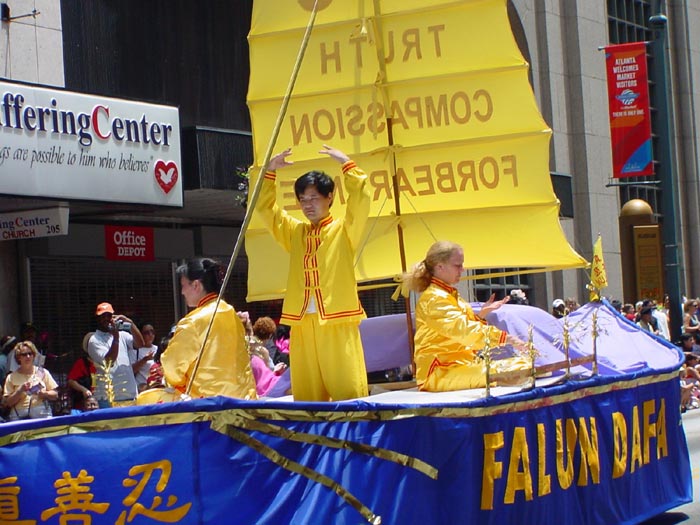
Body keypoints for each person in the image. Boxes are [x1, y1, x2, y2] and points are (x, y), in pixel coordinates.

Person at [259, 145, 370, 401]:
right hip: (302, 320)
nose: (307, 205)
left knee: (347, 388)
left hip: (336, 319)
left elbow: (361, 199)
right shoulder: (295, 232)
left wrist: (347, 165)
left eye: (314, 198)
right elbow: (266, 211)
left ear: (330, 197)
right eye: (303, 200)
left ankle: (352, 425)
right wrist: (270, 172)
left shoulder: (345, 230)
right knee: (307, 392)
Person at [401, 241, 529, 392]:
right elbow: (463, 330)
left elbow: (462, 329)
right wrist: (506, 338)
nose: (462, 269)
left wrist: (482, 314)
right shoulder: (434, 298)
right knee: (517, 370)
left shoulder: (448, 294)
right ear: (440, 266)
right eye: (458, 265)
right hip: (439, 372)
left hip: (459, 367)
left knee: (524, 365)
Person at [158, 258, 256, 400]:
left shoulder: (193, 321)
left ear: (196, 285)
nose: (182, 292)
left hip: (207, 403)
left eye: (183, 286)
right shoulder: (232, 313)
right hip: (243, 399)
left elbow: (172, 366)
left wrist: (181, 383)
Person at [87, 302, 144, 406]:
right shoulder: (94, 340)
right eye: (102, 316)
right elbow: (109, 361)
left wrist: (130, 323)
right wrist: (116, 338)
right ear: (97, 319)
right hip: (109, 397)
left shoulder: (122, 335)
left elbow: (140, 344)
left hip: (130, 393)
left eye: (108, 316)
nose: (106, 319)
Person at [2, 341, 58, 420]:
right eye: (24, 354)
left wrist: (44, 394)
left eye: (30, 353)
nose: (28, 356)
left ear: (33, 355)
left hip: (42, 413)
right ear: (19, 357)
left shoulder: (43, 372)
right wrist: (20, 391)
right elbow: (8, 403)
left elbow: (55, 395)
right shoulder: (11, 377)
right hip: (19, 416)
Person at [67, 332, 97, 411]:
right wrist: (84, 390)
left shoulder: (106, 362)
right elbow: (71, 381)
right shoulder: (82, 363)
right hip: (86, 404)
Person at [130, 323, 157, 392]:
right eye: (146, 333)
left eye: (152, 332)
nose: (150, 335)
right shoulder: (135, 350)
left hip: (156, 388)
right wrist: (145, 359)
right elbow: (131, 370)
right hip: (141, 388)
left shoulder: (157, 349)